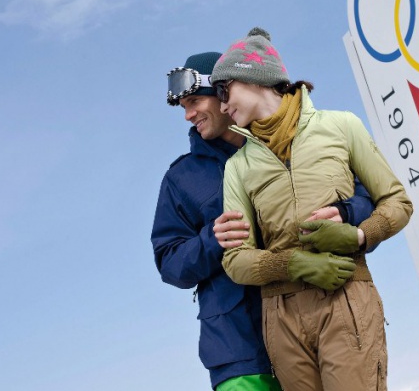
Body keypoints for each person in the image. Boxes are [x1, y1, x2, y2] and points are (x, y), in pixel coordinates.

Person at [151, 50, 375, 390]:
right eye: (183, 107)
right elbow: (169, 262)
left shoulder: (296, 142)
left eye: (194, 101)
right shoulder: (181, 179)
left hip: (320, 321)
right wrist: (211, 240)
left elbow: (367, 197)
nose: (188, 115)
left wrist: (346, 214)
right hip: (240, 354)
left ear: (224, 91)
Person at [210, 28, 413, 391]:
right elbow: (235, 260)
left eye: (224, 91)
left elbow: (397, 201)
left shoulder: (341, 126)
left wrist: (360, 234)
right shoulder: (237, 167)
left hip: (347, 297)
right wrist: (291, 264)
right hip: (281, 318)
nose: (222, 106)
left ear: (254, 78)